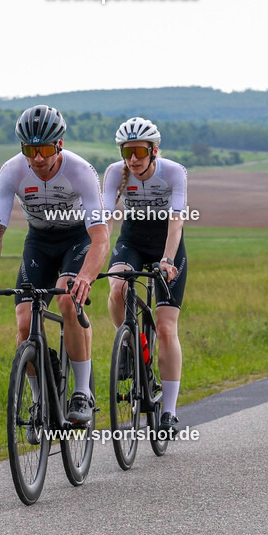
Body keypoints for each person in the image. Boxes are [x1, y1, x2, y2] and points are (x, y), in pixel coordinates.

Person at [0, 105, 109, 427]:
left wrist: (85, 277)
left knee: (67, 300)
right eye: (29, 150)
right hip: (39, 243)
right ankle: (37, 402)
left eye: (44, 150)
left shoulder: (81, 171)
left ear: (59, 144)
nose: (37, 158)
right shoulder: (11, 171)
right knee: (24, 323)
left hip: (77, 240)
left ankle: (82, 393)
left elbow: (100, 237)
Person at [102, 117, 188, 432]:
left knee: (165, 328)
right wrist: (94, 261)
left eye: (139, 151)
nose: (133, 159)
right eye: (127, 152)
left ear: (154, 150)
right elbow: (106, 221)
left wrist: (167, 259)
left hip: (167, 243)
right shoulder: (115, 173)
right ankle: (129, 342)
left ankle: (169, 412)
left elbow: (176, 222)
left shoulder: (174, 172)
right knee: (117, 289)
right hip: (133, 240)